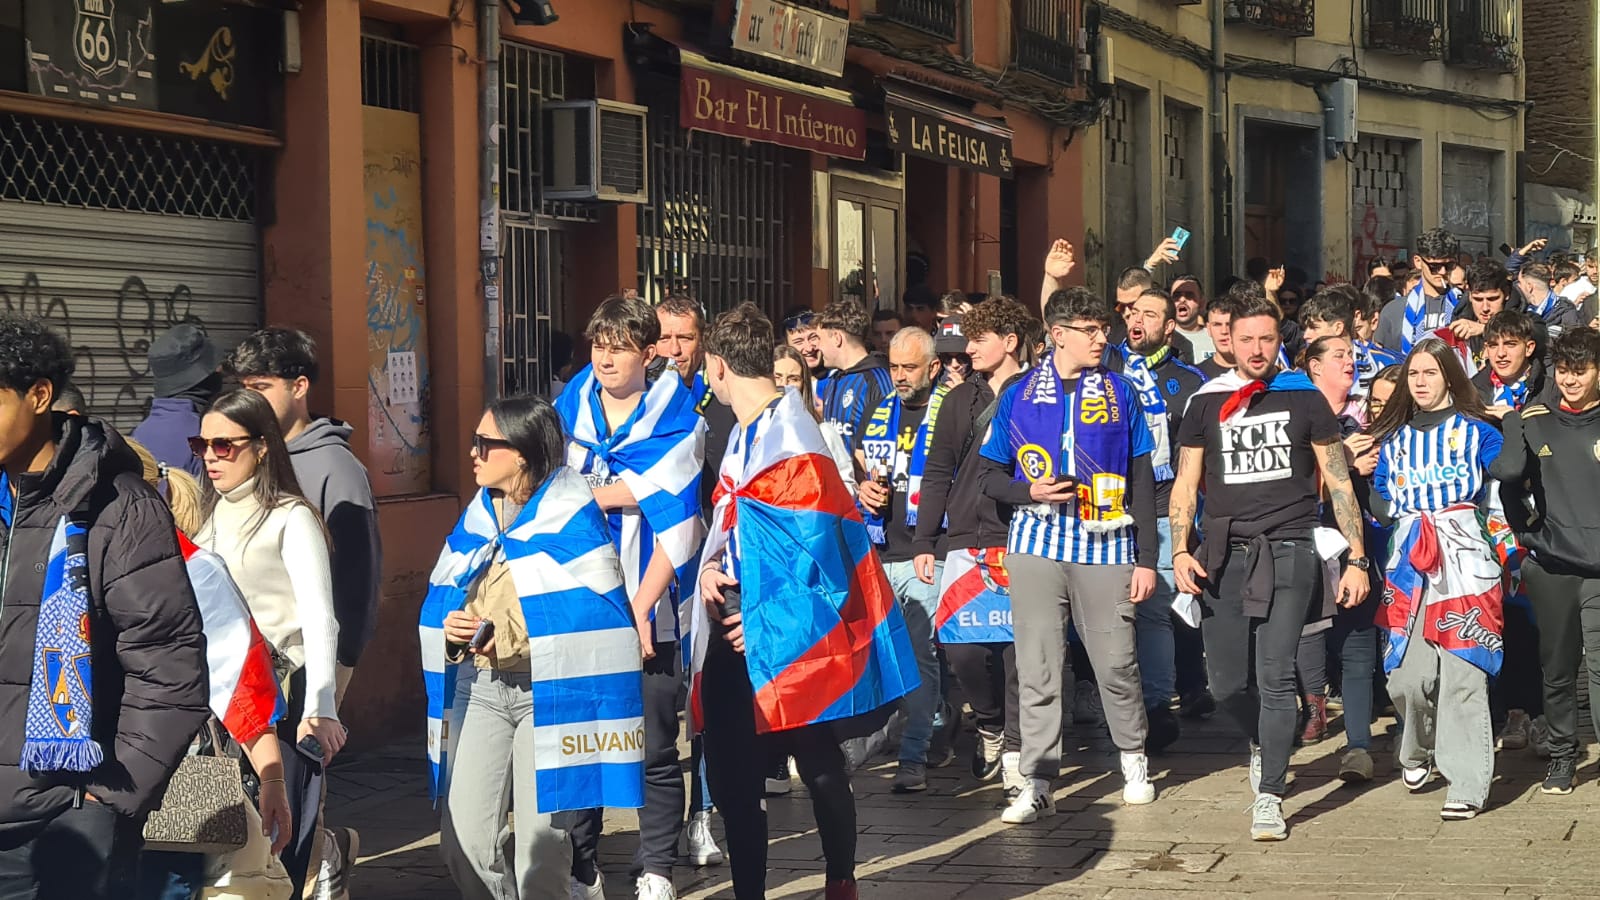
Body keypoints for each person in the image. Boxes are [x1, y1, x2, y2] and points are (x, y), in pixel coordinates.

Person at [691, 302, 920, 900]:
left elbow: (819, 558)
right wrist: (713, 568)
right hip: (737, 612)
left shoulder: (795, 440)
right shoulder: (743, 433)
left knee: (816, 763)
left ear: (716, 367)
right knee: (733, 769)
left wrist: (765, 622)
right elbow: (737, 523)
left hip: (790, 626)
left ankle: (840, 879)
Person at [0, 314, 209, 898]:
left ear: (39, 396)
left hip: (64, 823)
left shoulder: (117, 509)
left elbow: (169, 664)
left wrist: (106, 797)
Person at [420, 395, 644, 900]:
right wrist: (454, 631)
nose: (473, 453)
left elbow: (591, 611)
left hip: (552, 692)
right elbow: (450, 592)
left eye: (484, 444)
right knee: (462, 845)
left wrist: (507, 636)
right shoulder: (478, 515)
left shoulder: (571, 514)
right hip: (481, 688)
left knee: (539, 858)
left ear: (520, 453)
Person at [1171, 291, 1371, 841]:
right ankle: (1264, 738)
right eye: (1246, 339)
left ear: (1280, 340)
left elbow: (1338, 481)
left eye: (1267, 338)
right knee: (1226, 684)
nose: (1257, 349)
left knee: (1276, 674)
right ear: (1227, 340)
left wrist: (1357, 558)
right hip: (1223, 554)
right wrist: (1179, 549)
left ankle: (1270, 794)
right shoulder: (1206, 402)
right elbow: (1186, 485)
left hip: (1290, 548)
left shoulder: (1304, 398)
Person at [978, 286, 1160, 825]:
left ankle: (1133, 759)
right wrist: (1026, 492)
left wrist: (1147, 557)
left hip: (1106, 544)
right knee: (1037, 665)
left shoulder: (1121, 391)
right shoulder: (1017, 394)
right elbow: (988, 475)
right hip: (1035, 545)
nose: (1102, 337)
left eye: (1103, 328)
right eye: (1091, 329)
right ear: (1058, 335)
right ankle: (1037, 780)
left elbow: (1144, 476)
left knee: (1116, 662)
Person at [553, 296, 705, 900]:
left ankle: (656, 869)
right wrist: (623, 492)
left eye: (620, 346)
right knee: (579, 742)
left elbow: (680, 517)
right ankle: (582, 866)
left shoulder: (681, 418)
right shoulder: (567, 412)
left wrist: (640, 607)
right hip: (578, 601)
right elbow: (547, 491)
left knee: (652, 746)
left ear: (651, 352)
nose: (606, 358)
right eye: (598, 345)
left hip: (652, 605)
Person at [225, 328, 380, 896]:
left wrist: (333, 679)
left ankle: (314, 867)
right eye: (244, 387)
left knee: (292, 787)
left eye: (262, 386)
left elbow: (356, 582)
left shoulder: (335, 469)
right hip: (243, 669)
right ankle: (326, 858)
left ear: (300, 385)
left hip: (305, 664)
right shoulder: (240, 455)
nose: (252, 398)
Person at [190, 389, 343, 892]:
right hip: (225, 700)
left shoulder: (291, 517)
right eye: (202, 444)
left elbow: (322, 617)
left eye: (224, 445)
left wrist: (322, 707)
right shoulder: (208, 518)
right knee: (236, 850)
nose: (211, 456)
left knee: (282, 842)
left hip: (284, 696)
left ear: (261, 447)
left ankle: (322, 863)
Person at [127, 439, 292, 900]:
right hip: (82, 792)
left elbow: (242, 682)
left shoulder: (197, 572)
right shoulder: (54, 562)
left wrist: (272, 779)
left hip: (174, 788)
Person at [1369, 339, 1503, 820]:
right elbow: (1381, 499)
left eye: (1430, 372)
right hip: (1409, 563)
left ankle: (1465, 781)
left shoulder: (1477, 430)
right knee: (1408, 680)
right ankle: (1418, 749)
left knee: (1463, 676)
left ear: (1449, 375)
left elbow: (1510, 469)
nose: (1420, 381)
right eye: (1413, 374)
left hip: (1465, 560)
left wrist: (1519, 425)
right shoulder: (1395, 438)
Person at [912, 297, 1034, 799]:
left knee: (1019, 656)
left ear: (1009, 342)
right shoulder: (959, 401)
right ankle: (988, 723)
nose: (969, 349)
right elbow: (937, 470)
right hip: (965, 539)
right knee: (961, 650)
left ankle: (1016, 756)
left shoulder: (1039, 394)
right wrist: (925, 538)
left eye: (980, 339)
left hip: (1025, 535)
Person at [1490, 327, 1600, 794]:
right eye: (1564, 371)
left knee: (1598, 666)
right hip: (1552, 566)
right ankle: (1561, 755)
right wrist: (1527, 533)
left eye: (1582, 370)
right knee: (1556, 669)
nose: (1571, 380)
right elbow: (1509, 479)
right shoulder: (1534, 418)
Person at [1107, 287, 1208, 752]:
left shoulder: (1187, 382)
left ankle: (1154, 706)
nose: (1137, 320)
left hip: (1165, 511)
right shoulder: (1105, 371)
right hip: (1108, 512)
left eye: (1150, 314)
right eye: (1132, 312)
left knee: (1157, 611)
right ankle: (1115, 703)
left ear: (1170, 327)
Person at [651, 296, 729, 865]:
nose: (674, 349)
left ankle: (702, 817)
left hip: (704, 569)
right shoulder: (640, 406)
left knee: (702, 701)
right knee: (651, 707)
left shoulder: (718, 406)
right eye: (665, 338)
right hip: (648, 577)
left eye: (685, 338)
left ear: (701, 341)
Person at [860, 328, 951, 792]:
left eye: (909, 367)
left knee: (920, 654)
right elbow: (862, 465)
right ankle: (918, 728)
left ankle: (914, 754)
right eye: (893, 367)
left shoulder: (952, 410)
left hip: (926, 549)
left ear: (933, 368)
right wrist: (863, 488)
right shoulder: (879, 411)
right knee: (882, 654)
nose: (898, 376)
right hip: (881, 547)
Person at [1295, 336, 1368, 751]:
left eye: (1353, 355)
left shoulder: (1364, 412)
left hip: (1358, 532)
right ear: (1315, 366)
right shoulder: (1300, 409)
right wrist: (1345, 459)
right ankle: (1313, 703)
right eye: (1339, 355)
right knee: (1308, 620)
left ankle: (1359, 736)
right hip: (1310, 526)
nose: (1350, 362)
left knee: (1354, 628)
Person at [132, 323, 223, 478]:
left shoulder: (138, 436)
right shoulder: (207, 433)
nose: (221, 370)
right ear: (203, 376)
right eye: (216, 367)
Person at [815, 299, 893, 454]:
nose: (817, 347)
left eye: (819, 339)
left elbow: (888, 438)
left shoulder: (878, 379)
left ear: (837, 338)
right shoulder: (833, 380)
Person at [773, 346, 855, 493]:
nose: (784, 385)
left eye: (793, 379)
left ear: (804, 385)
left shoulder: (824, 433)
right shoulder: (753, 431)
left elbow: (848, 486)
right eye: (777, 377)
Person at [1375, 228, 1464, 354]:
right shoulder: (1394, 311)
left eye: (1449, 266)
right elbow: (1383, 360)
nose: (1443, 272)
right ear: (1418, 262)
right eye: (1435, 267)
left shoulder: (1466, 304)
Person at [1516, 262, 1583, 340]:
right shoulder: (1520, 310)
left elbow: (1575, 343)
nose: (1518, 286)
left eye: (1520, 283)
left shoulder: (1566, 311)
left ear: (1529, 287)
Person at [1172, 276, 1213, 362]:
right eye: (1176, 296)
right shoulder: (1162, 339)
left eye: (1189, 296)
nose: (1182, 300)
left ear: (1202, 303)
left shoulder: (1216, 338)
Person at [1198, 294, 1239, 380]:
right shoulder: (1196, 375)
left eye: (1229, 324)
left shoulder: (1257, 372)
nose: (1224, 331)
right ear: (1208, 329)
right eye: (1217, 325)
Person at [781, 309, 828, 380]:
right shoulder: (780, 382)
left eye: (813, 338)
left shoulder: (838, 379)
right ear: (787, 346)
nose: (809, 348)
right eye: (799, 342)